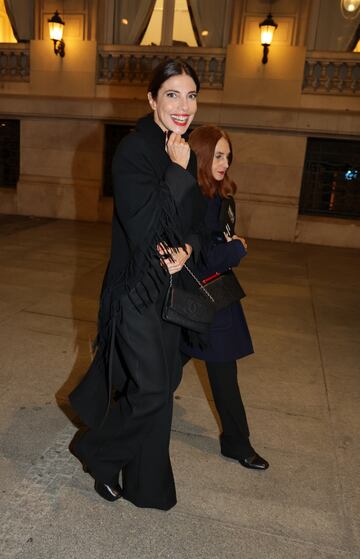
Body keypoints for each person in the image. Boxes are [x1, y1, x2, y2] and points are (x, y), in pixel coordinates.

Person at [69, 59, 206, 510]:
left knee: (162, 387)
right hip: (134, 292)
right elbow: (144, 224)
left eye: (190, 95)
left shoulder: (183, 150)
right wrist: (177, 172)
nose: (183, 106)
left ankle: (147, 485)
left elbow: (195, 221)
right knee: (149, 391)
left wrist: (187, 248)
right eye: (172, 94)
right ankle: (95, 451)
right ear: (152, 100)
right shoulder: (134, 151)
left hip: (170, 291)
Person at [181, 125, 269, 471]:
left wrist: (229, 245)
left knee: (222, 376)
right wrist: (234, 250)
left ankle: (237, 444)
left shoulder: (219, 196)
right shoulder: (193, 198)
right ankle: (108, 402)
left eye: (227, 156)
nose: (224, 162)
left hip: (212, 302)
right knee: (162, 371)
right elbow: (199, 257)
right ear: (201, 156)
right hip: (196, 300)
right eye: (218, 155)